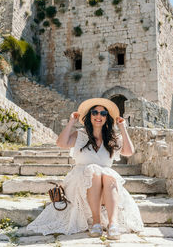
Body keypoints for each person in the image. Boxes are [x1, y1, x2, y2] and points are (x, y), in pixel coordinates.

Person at [27, 98, 144, 239]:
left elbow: (129, 152)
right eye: (95, 112)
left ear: (107, 117)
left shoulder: (113, 138)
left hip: (105, 185)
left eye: (103, 113)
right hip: (80, 182)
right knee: (93, 171)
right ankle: (96, 223)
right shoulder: (80, 135)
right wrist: (71, 122)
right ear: (90, 116)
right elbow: (61, 143)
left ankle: (113, 224)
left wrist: (123, 128)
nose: (99, 116)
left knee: (109, 176)